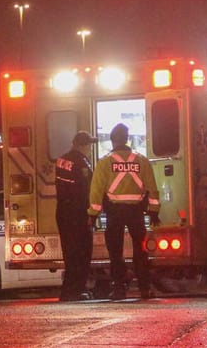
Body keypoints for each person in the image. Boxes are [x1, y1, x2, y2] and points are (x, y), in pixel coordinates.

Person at [88, 123, 160, 300]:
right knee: (140, 251)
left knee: (115, 253)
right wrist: (154, 212)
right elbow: (152, 188)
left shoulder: (105, 163)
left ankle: (119, 289)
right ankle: (144, 288)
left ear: (112, 140)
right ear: (127, 139)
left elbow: (96, 191)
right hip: (136, 212)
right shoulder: (142, 160)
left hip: (114, 213)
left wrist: (92, 215)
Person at [55, 131, 95, 301]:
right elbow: (87, 190)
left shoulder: (61, 160)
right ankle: (77, 290)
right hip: (78, 214)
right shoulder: (82, 163)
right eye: (89, 145)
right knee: (82, 253)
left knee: (70, 253)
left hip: (63, 212)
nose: (90, 149)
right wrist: (91, 213)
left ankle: (68, 291)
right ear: (83, 145)